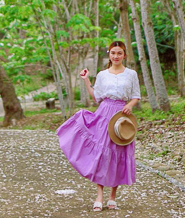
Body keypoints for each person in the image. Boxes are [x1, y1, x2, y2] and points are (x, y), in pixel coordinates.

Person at [56, 41, 141, 211]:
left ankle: (112, 197)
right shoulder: (103, 75)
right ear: (109, 54)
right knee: (102, 154)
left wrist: (130, 105)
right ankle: (99, 196)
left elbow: (136, 96)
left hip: (122, 117)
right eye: (113, 53)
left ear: (124, 55)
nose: (116, 56)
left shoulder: (131, 74)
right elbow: (97, 97)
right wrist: (86, 80)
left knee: (119, 152)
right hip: (104, 114)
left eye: (119, 53)